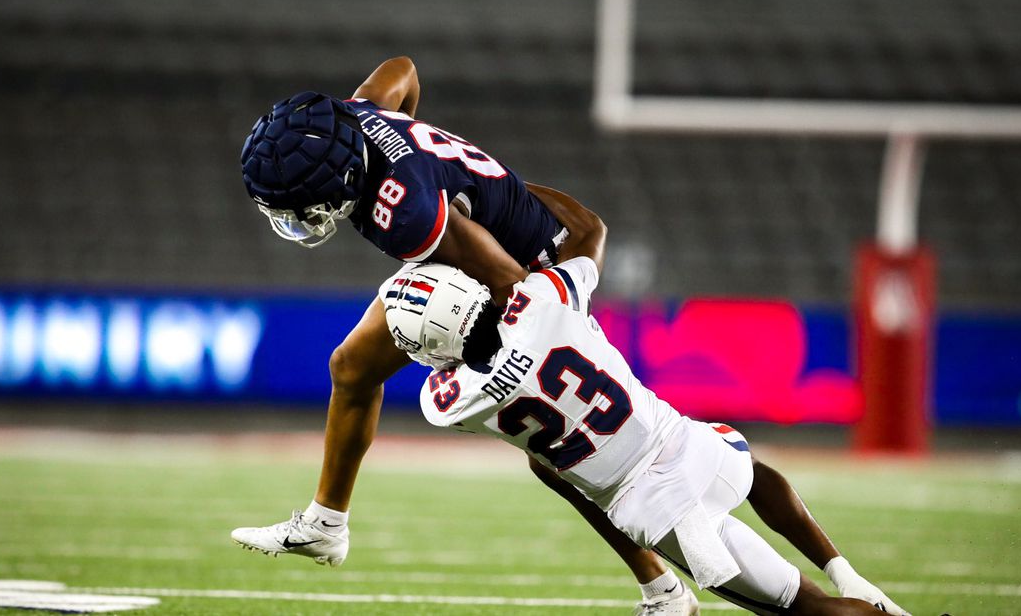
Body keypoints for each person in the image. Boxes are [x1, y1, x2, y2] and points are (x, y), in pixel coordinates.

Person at [230, 55, 695, 614]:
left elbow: (509, 282)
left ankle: (665, 589)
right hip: (462, 246)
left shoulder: (404, 215)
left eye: (302, 207)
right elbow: (403, 69)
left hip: (529, 272)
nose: (298, 221)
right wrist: (430, 168)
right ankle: (326, 524)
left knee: (554, 454)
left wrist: (485, 351)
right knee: (351, 368)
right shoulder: (355, 116)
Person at [364, 212, 910, 615]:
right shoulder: (543, 301)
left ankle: (669, 586)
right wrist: (496, 192)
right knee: (752, 472)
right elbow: (586, 231)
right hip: (692, 450)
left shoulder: (450, 402)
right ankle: (845, 570)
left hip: (650, 506)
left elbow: (446, 362)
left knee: (806, 610)